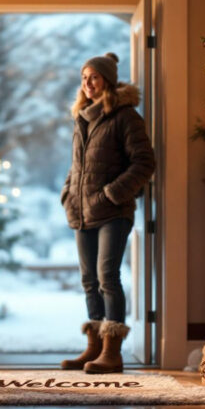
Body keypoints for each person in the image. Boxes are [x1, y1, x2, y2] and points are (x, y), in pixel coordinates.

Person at [60, 52, 155, 374]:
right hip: (81, 211)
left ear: (108, 81)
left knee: (107, 278)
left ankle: (112, 353)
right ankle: (95, 347)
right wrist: (68, 193)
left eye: (94, 77)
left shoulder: (125, 117)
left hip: (113, 212)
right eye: (84, 78)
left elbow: (144, 162)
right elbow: (77, 166)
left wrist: (111, 194)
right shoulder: (82, 117)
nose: (88, 83)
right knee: (89, 281)